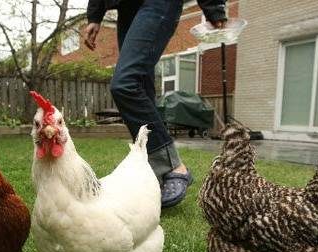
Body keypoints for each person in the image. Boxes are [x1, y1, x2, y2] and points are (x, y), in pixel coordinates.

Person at [85, 0, 226, 208]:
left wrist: (214, 8)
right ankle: (154, 174)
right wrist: (95, 15)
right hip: (126, 8)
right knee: (140, 86)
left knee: (124, 84)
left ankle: (172, 166)